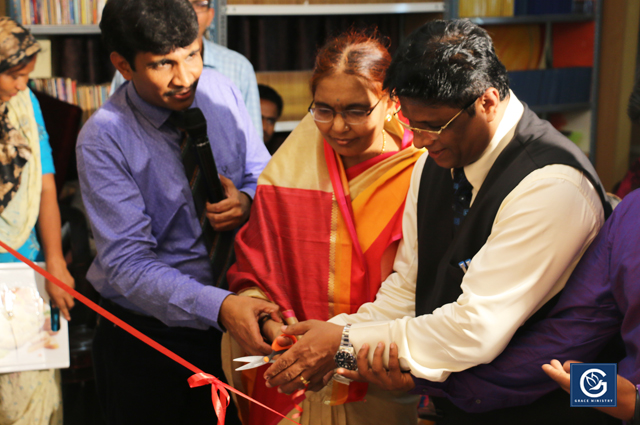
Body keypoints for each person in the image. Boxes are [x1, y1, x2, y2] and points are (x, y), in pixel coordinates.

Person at [262, 19, 613, 424]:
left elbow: (476, 328)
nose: (420, 140)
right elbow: (410, 286)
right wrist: (335, 333)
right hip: (466, 400)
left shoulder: (551, 184)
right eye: (411, 123)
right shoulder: (435, 161)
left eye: (434, 125)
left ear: (487, 101)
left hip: (548, 403)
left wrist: (340, 344)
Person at [76, 1, 276, 424]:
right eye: (163, 64)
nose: (185, 78)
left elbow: (262, 171)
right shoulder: (103, 138)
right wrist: (219, 306)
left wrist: (247, 199)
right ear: (123, 65)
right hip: (150, 340)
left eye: (192, 54)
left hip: (235, 318)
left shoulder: (220, 90)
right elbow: (129, 265)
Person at [222, 30, 424, 425]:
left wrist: (341, 347)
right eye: (324, 109)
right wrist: (267, 320)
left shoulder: (420, 170)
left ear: (391, 101)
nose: (337, 127)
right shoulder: (288, 170)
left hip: (382, 372)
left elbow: (423, 290)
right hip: (289, 363)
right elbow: (255, 264)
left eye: (355, 110)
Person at [0, 17, 75, 425]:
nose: (22, 86)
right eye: (15, 76)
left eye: (28, 76)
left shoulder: (24, 106)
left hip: (23, 274)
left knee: (29, 405)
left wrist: (56, 263)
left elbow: (45, 187)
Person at [109, 0, 263, 139]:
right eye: (163, 64)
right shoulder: (133, 71)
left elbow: (255, 150)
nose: (184, 80)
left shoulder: (237, 68)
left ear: (211, 15)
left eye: (198, 3)